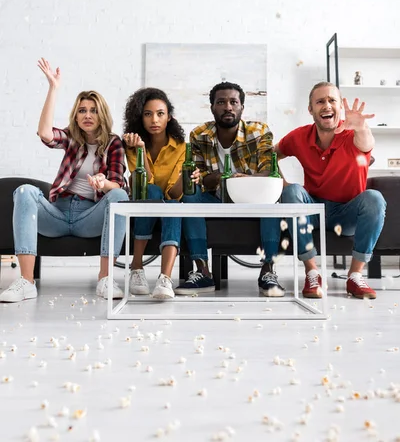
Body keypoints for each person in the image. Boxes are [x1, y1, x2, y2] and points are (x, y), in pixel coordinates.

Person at [0, 58, 129, 303]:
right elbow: (46, 134)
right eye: (82, 110)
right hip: (56, 215)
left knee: (120, 197)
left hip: (89, 216)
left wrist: (103, 183)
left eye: (93, 110)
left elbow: (118, 185)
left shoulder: (114, 143)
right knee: (24, 191)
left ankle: (106, 278)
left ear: (101, 114)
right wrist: (53, 88)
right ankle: (26, 282)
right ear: (76, 116)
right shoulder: (71, 138)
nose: (87, 115)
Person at [274, 81, 386, 300]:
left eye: (332, 100)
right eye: (320, 101)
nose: (327, 105)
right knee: (292, 191)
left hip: (346, 214)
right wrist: (282, 183)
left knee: (374, 198)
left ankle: (355, 276)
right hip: (313, 209)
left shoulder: (354, 134)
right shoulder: (298, 137)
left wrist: (361, 127)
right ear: (311, 109)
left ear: (339, 107)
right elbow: (271, 155)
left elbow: (366, 142)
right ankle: (312, 273)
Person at [176, 81, 284, 297]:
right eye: (221, 102)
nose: (228, 107)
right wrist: (219, 177)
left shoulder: (258, 131)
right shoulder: (199, 134)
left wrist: (244, 180)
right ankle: (203, 272)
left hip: (253, 199)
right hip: (216, 198)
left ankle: (268, 271)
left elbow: (270, 171)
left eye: (234, 102)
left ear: (242, 107)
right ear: (212, 107)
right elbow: (199, 179)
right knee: (189, 198)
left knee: (272, 200)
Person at [123, 88, 200, 300]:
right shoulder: (132, 145)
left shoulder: (182, 148)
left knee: (173, 205)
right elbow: (144, 183)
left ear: (169, 117)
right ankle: (136, 268)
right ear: (140, 117)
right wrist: (140, 150)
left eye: (160, 113)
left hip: (169, 205)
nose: (154, 120)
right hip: (143, 202)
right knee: (153, 189)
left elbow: (174, 194)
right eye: (148, 114)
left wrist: (187, 180)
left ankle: (164, 278)